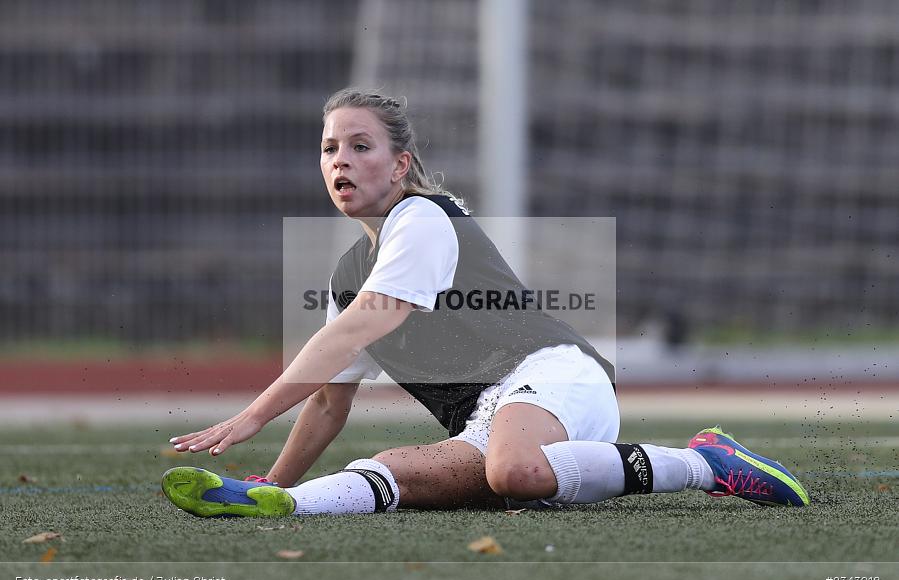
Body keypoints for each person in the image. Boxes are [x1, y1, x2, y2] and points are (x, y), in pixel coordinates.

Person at [161, 89, 809, 518]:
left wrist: (254, 414)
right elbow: (331, 402)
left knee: (513, 473)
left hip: (553, 377)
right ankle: (275, 502)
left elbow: (362, 325)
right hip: (486, 422)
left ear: (399, 165)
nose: (341, 161)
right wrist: (277, 477)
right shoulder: (347, 273)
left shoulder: (422, 217)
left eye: (360, 146)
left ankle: (704, 463)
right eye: (330, 148)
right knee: (394, 473)